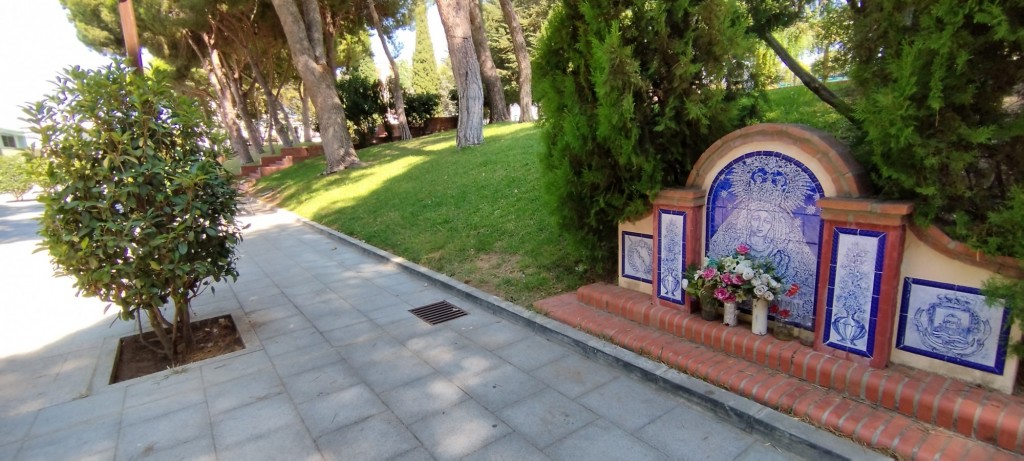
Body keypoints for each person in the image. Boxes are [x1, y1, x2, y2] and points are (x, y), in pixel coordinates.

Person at [707, 157, 820, 328]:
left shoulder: (781, 257)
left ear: (775, 225)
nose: (760, 225)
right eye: (756, 218)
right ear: (747, 219)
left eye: (767, 221)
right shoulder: (735, 250)